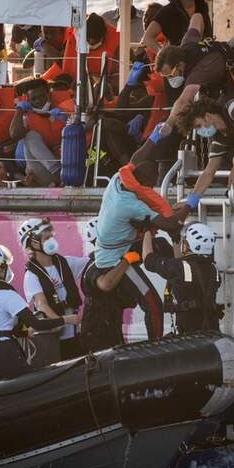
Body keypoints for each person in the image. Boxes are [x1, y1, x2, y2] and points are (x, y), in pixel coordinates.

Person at [90, 130, 189, 341]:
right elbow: (170, 223)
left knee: (162, 246)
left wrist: (155, 137)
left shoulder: (119, 179)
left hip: (125, 243)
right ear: (143, 185)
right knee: (151, 301)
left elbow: (137, 159)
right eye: (151, 185)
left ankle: (180, 291)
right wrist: (191, 202)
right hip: (115, 258)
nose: (152, 189)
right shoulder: (128, 204)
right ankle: (155, 343)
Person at [154, 13, 234, 160]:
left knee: (229, 109)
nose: (170, 80)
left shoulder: (199, 72)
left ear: (180, 65)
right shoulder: (188, 43)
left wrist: (168, 124)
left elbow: (183, 100)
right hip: (225, 73)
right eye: (166, 77)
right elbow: (197, 17)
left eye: (171, 75)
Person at [0, 245, 79, 383]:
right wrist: (66, 319)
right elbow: (36, 323)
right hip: (3, 352)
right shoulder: (6, 294)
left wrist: (22, 331)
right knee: (32, 386)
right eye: (5, 266)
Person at [19, 218, 89, 361]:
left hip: (76, 333)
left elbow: (92, 262)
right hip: (54, 340)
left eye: (51, 236)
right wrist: (62, 321)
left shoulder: (66, 263)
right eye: (46, 238)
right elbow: (42, 304)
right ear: (33, 243)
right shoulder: (31, 276)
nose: (51, 240)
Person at [143, 223, 222, 334]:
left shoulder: (179, 268)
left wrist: (146, 231)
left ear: (187, 244)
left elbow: (148, 260)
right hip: (212, 331)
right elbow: (184, 264)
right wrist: (175, 238)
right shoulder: (214, 270)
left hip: (189, 335)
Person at [10, 78, 71, 187]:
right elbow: (14, 134)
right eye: (34, 99)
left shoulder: (62, 113)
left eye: (42, 96)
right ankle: (58, 173)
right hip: (43, 173)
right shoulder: (26, 119)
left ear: (49, 95)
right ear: (29, 101)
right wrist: (19, 110)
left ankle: (59, 178)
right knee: (30, 136)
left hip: (68, 167)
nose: (39, 101)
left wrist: (67, 119)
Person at [62, 13, 121, 87]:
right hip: (76, 85)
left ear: (103, 36)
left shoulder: (115, 41)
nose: (91, 42)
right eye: (88, 39)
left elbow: (123, 69)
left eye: (95, 40)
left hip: (103, 85)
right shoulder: (74, 35)